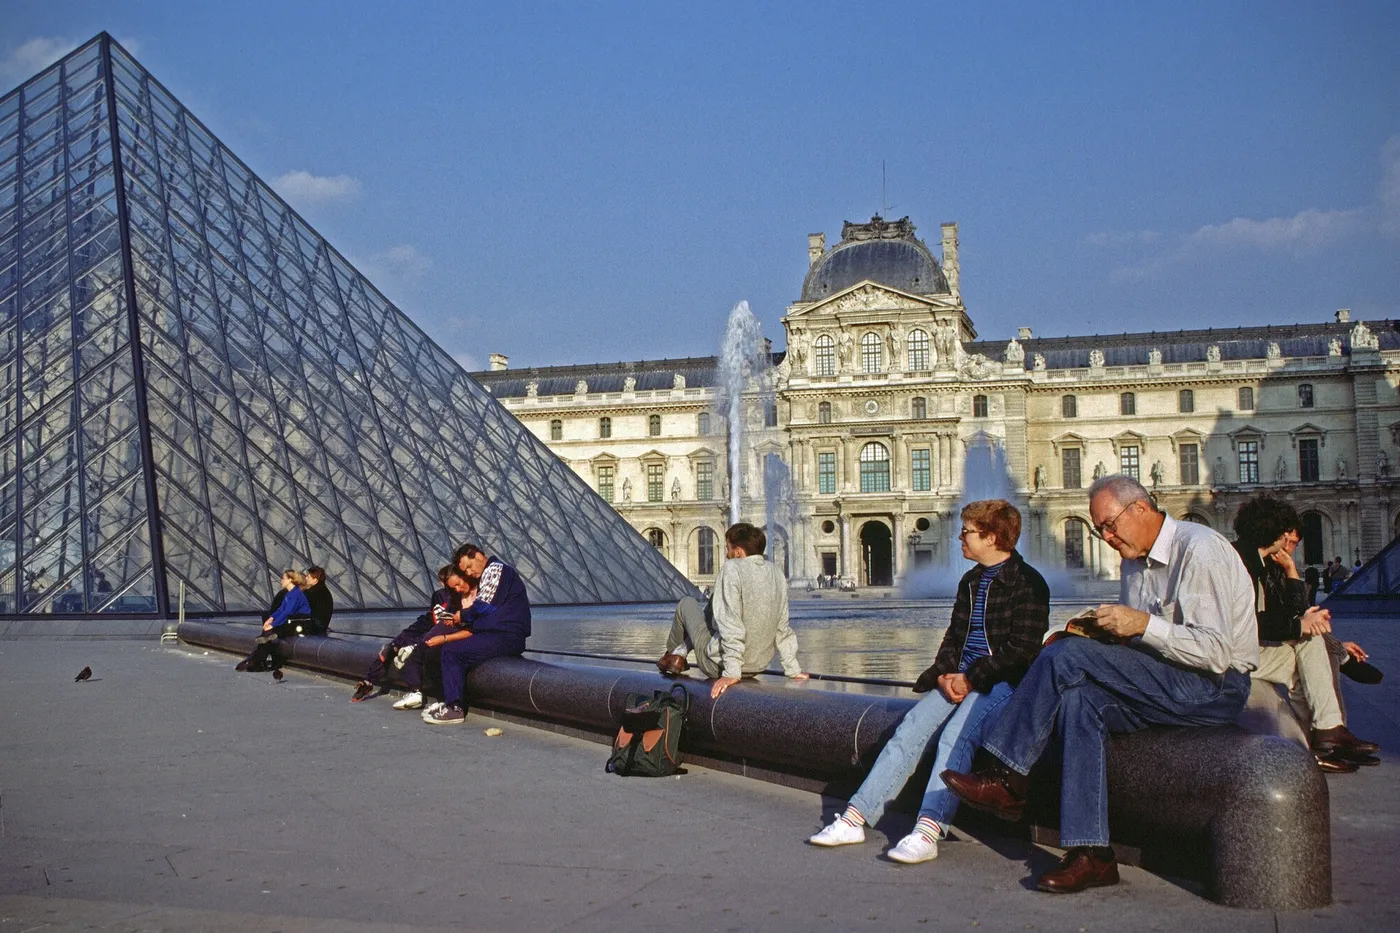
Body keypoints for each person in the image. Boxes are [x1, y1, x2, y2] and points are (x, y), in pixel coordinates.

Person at [941, 475, 1258, 894]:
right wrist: (1101, 633)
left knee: (1066, 658)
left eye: (1109, 525)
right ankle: (1093, 854)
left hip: (1216, 687)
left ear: (1140, 509)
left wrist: (1142, 624)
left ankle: (1007, 776)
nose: (1106, 537)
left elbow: (1216, 652)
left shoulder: (1200, 551)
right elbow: (1140, 645)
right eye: (1099, 530)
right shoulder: (1133, 558)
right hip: (1166, 678)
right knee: (1078, 700)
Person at [808, 500, 1049, 864]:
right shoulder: (970, 580)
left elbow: (1022, 652)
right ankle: (856, 817)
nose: (959, 537)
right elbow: (954, 637)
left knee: (956, 738)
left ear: (992, 537)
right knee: (911, 728)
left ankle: (929, 829)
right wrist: (943, 673)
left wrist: (970, 678)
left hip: (1002, 683)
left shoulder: (1029, 583)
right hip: (962, 676)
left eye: (967, 531)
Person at [1231, 496, 1378, 771]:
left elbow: (1292, 615)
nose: (1289, 542)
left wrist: (1291, 573)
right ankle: (1328, 733)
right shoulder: (1245, 563)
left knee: (1312, 651)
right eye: (1287, 534)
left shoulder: (1253, 560)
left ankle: (1324, 738)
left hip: (1244, 648)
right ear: (1276, 532)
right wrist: (1302, 625)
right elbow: (1255, 622)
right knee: (1312, 646)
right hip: (1232, 655)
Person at [656, 522, 808, 699]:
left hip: (720, 665)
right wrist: (793, 669)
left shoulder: (732, 568)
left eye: (728, 549)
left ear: (738, 551)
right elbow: (783, 627)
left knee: (687, 604)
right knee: (715, 600)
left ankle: (673, 657)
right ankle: (680, 653)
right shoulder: (776, 572)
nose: (727, 556)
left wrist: (732, 673)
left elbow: (730, 624)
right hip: (756, 666)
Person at [421, 544, 532, 725]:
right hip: (501, 634)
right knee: (449, 650)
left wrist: (460, 616)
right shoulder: (491, 573)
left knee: (452, 652)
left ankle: (454, 708)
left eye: (468, 567)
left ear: (478, 555)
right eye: (465, 570)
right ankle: (449, 702)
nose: (469, 573)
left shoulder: (495, 570)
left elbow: (484, 606)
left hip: (506, 636)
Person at [350, 566, 467, 706]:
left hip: (439, 632)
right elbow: (432, 616)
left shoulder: (457, 596)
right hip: (431, 627)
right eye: (444, 582)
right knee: (396, 643)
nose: (446, 585)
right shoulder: (439, 595)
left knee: (411, 649)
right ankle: (369, 680)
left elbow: (448, 623)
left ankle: (411, 690)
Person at [236, 570, 312, 672]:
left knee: (267, 635)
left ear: (290, 580)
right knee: (267, 636)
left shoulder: (295, 595)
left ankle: (255, 661)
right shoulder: (290, 594)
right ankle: (256, 660)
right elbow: (281, 610)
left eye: (283, 578)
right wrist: (270, 619)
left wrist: (273, 625)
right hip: (291, 622)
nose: (281, 581)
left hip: (299, 624)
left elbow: (287, 613)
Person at [302, 566, 334, 635]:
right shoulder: (324, 590)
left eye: (308, 577)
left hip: (314, 627)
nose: (306, 578)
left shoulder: (311, 592)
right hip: (322, 626)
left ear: (315, 580)